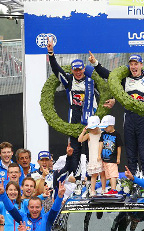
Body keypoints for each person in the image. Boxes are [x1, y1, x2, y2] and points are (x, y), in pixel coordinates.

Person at [46, 38, 112, 181]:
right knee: (75, 148)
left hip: (91, 116)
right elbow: (57, 70)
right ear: (72, 70)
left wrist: (112, 100)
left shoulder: (92, 80)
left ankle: (91, 176)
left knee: (92, 147)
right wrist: (51, 54)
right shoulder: (69, 80)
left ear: (83, 69)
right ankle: (75, 176)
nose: (78, 72)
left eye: (80, 69)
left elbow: (107, 87)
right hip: (74, 116)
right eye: (75, 70)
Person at [1, 183, 65, 231]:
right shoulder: (23, 218)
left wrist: (60, 196)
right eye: (32, 207)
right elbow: (11, 209)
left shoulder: (47, 219)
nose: (34, 210)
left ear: (41, 207)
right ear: (28, 207)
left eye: (37, 207)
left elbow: (55, 209)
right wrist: (3, 194)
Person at [78, 115, 104, 197]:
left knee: (103, 173)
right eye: (91, 128)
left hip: (101, 157)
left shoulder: (102, 134)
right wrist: (83, 132)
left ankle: (103, 190)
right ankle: (92, 190)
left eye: (94, 128)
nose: (93, 130)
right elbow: (80, 140)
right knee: (94, 175)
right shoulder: (89, 135)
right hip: (93, 157)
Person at [99, 115, 123, 194]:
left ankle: (113, 189)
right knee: (106, 174)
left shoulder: (116, 135)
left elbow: (119, 146)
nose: (105, 129)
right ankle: (107, 188)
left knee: (113, 174)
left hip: (112, 159)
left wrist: (118, 158)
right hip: (104, 159)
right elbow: (101, 144)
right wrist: (99, 155)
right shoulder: (103, 134)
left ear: (111, 125)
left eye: (106, 127)